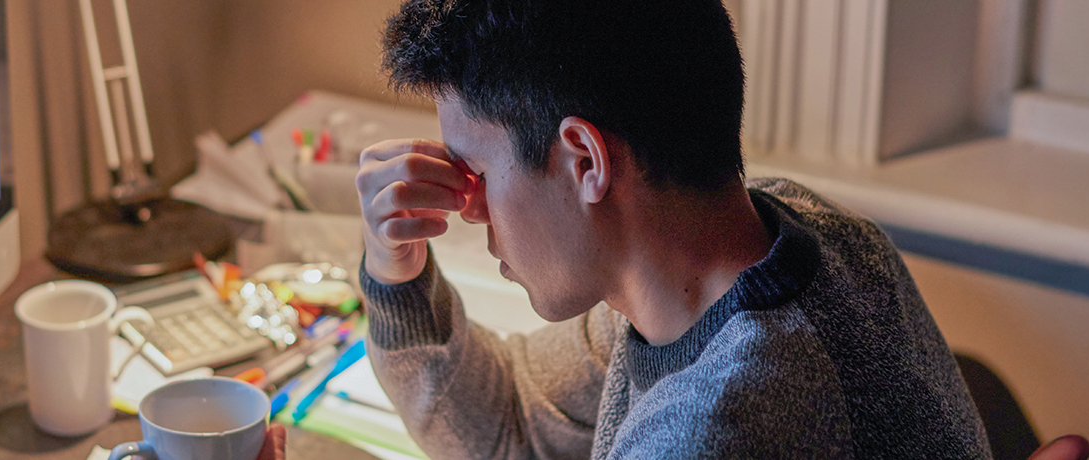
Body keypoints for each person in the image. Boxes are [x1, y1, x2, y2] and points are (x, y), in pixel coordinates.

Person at [351, 0, 993, 458]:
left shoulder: (708, 432)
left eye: (479, 172)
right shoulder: (788, 232)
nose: (470, 209)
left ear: (585, 161)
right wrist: (396, 272)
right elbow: (516, 423)